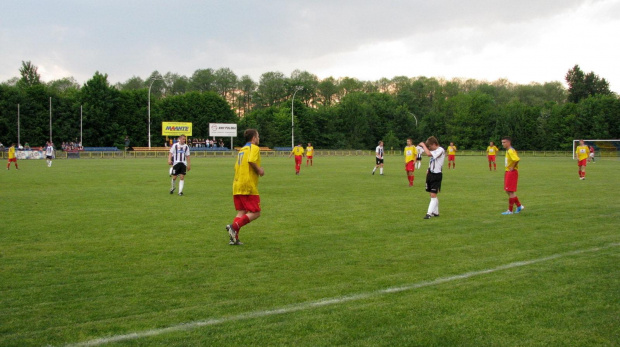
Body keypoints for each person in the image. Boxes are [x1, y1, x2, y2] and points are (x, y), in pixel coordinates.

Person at [226, 129, 265, 245]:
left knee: (241, 211)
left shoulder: (242, 150)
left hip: (237, 184)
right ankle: (234, 226)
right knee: (256, 212)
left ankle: (233, 238)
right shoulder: (254, 148)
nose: (258, 138)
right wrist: (259, 170)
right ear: (253, 138)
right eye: (258, 136)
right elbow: (251, 161)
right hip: (247, 185)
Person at [418, 137, 445, 219]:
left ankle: (429, 214)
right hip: (430, 174)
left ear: (434, 144)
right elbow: (431, 160)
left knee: (433, 194)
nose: (429, 148)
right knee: (431, 194)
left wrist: (423, 145)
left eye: (430, 146)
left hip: (437, 175)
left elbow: (429, 154)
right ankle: (436, 212)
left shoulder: (440, 150)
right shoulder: (434, 151)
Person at [501, 136, 524, 214]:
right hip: (508, 172)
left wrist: (512, 167)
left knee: (510, 191)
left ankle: (510, 210)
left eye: (504, 142)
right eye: (502, 142)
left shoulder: (510, 150)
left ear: (508, 142)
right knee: (508, 190)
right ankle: (519, 206)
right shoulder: (509, 150)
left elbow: (517, 159)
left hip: (511, 172)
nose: (502, 144)